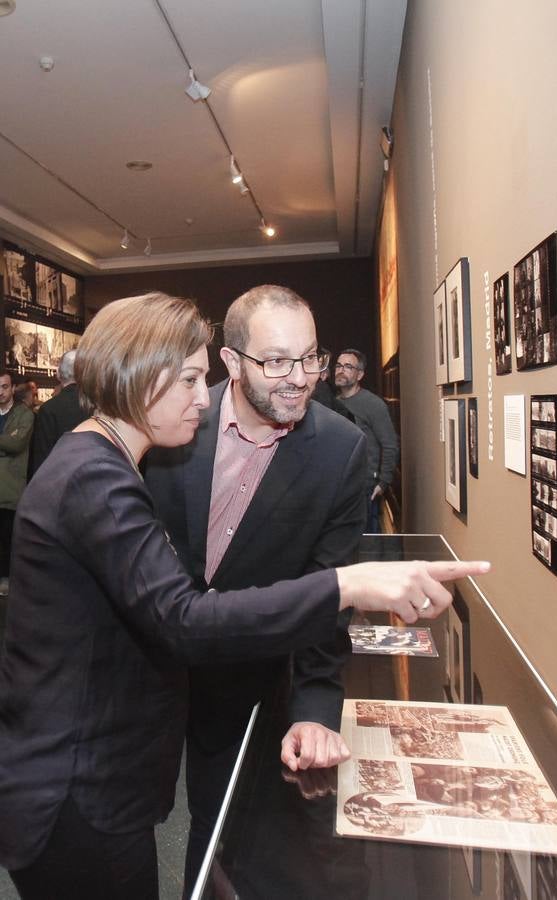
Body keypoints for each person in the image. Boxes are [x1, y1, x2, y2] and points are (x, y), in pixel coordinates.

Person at [0, 292, 489, 900]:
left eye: (309, 358)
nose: (202, 397)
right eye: (188, 380)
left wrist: (312, 702)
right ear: (140, 379)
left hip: (131, 754)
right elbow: (181, 617)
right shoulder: (97, 473)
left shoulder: (104, 459)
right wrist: (349, 583)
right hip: (76, 779)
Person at [145, 285, 367, 890]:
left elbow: (327, 594)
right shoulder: (173, 420)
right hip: (146, 671)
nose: (299, 377)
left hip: (245, 681)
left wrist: (315, 710)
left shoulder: (341, 451)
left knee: (220, 836)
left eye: (310, 357)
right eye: (276, 360)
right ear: (232, 361)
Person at [335, 349, 399, 532]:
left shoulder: (373, 404)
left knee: (365, 541)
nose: (341, 370)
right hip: (339, 488)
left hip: (365, 488)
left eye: (348, 366)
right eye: (338, 365)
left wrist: (383, 482)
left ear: (360, 374)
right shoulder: (334, 403)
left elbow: (390, 445)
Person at [0, 369, 35, 593]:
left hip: (11, 488)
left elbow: (17, 444)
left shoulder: (24, 414)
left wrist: (9, 444)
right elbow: (10, 444)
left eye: (4, 387)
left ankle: (6, 577)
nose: (0, 392)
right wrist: (7, 441)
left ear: (13, 388)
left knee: (8, 538)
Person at [29, 349, 86, 476]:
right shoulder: (95, 406)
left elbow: (41, 456)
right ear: (83, 374)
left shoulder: (48, 409)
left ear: (58, 374)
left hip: (59, 477)